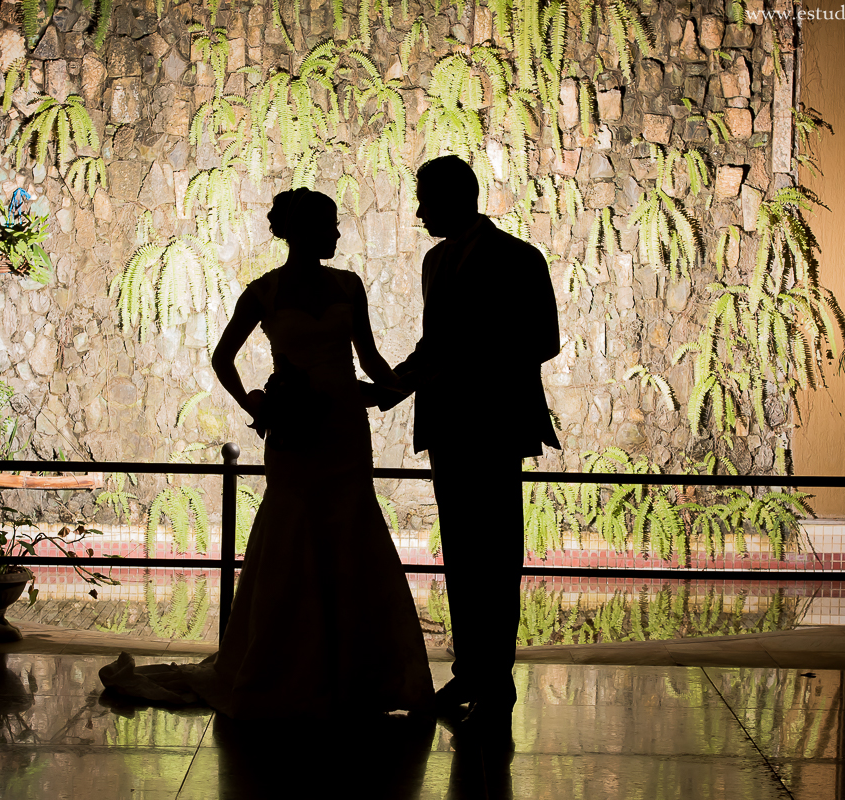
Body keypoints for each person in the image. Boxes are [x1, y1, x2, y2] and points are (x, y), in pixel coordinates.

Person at [100, 188, 434, 719]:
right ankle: (292, 668)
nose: (337, 234)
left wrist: (403, 383)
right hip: (295, 429)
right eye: (328, 225)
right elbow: (222, 357)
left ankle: (361, 674)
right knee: (292, 531)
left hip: (345, 429)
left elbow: (369, 358)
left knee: (352, 530)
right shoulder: (263, 292)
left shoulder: (349, 285)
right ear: (300, 232)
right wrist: (252, 403)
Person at [380, 155, 561, 734]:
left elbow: (544, 340)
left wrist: (469, 363)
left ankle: (496, 681)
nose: (419, 212)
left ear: (456, 198)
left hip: (496, 423)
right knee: (461, 553)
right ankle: (469, 672)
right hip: (448, 425)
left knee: (497, 556)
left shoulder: (520, 258)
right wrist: (388, 389)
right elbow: (433, 345)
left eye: (425, 200)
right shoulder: (434, 262)